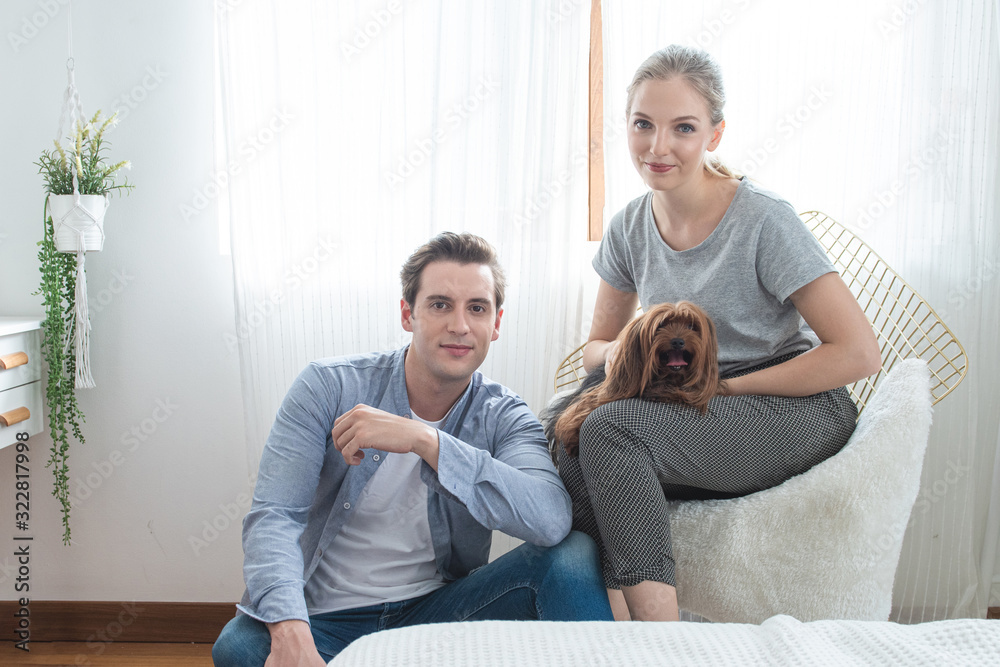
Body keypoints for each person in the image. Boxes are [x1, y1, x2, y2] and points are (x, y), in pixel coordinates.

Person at [556, 45, 881, 623]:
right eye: (643, 124)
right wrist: (631, 351)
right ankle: (608, 621)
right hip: (688, 396)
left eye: (683, 128)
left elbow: (858, 354)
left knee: (611, 429)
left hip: (792, 406)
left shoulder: (763, 220)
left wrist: (723, 388)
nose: (658, 147)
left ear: (715, 133)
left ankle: (661, 639)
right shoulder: (629, 225)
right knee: (563, 430)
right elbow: (595, 350)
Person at [214, 232, 612, 666]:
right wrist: (291, 630)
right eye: (440, 304)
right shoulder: (327, 386)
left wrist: (427, 441)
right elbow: (274, 516)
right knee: (241, 648)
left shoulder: (504, 414)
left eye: (477, 308)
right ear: (408, 314)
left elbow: (550, 520)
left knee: (572, 554)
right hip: (324, 620)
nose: (459, 325)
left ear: (496, 324)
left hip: (439, 618)